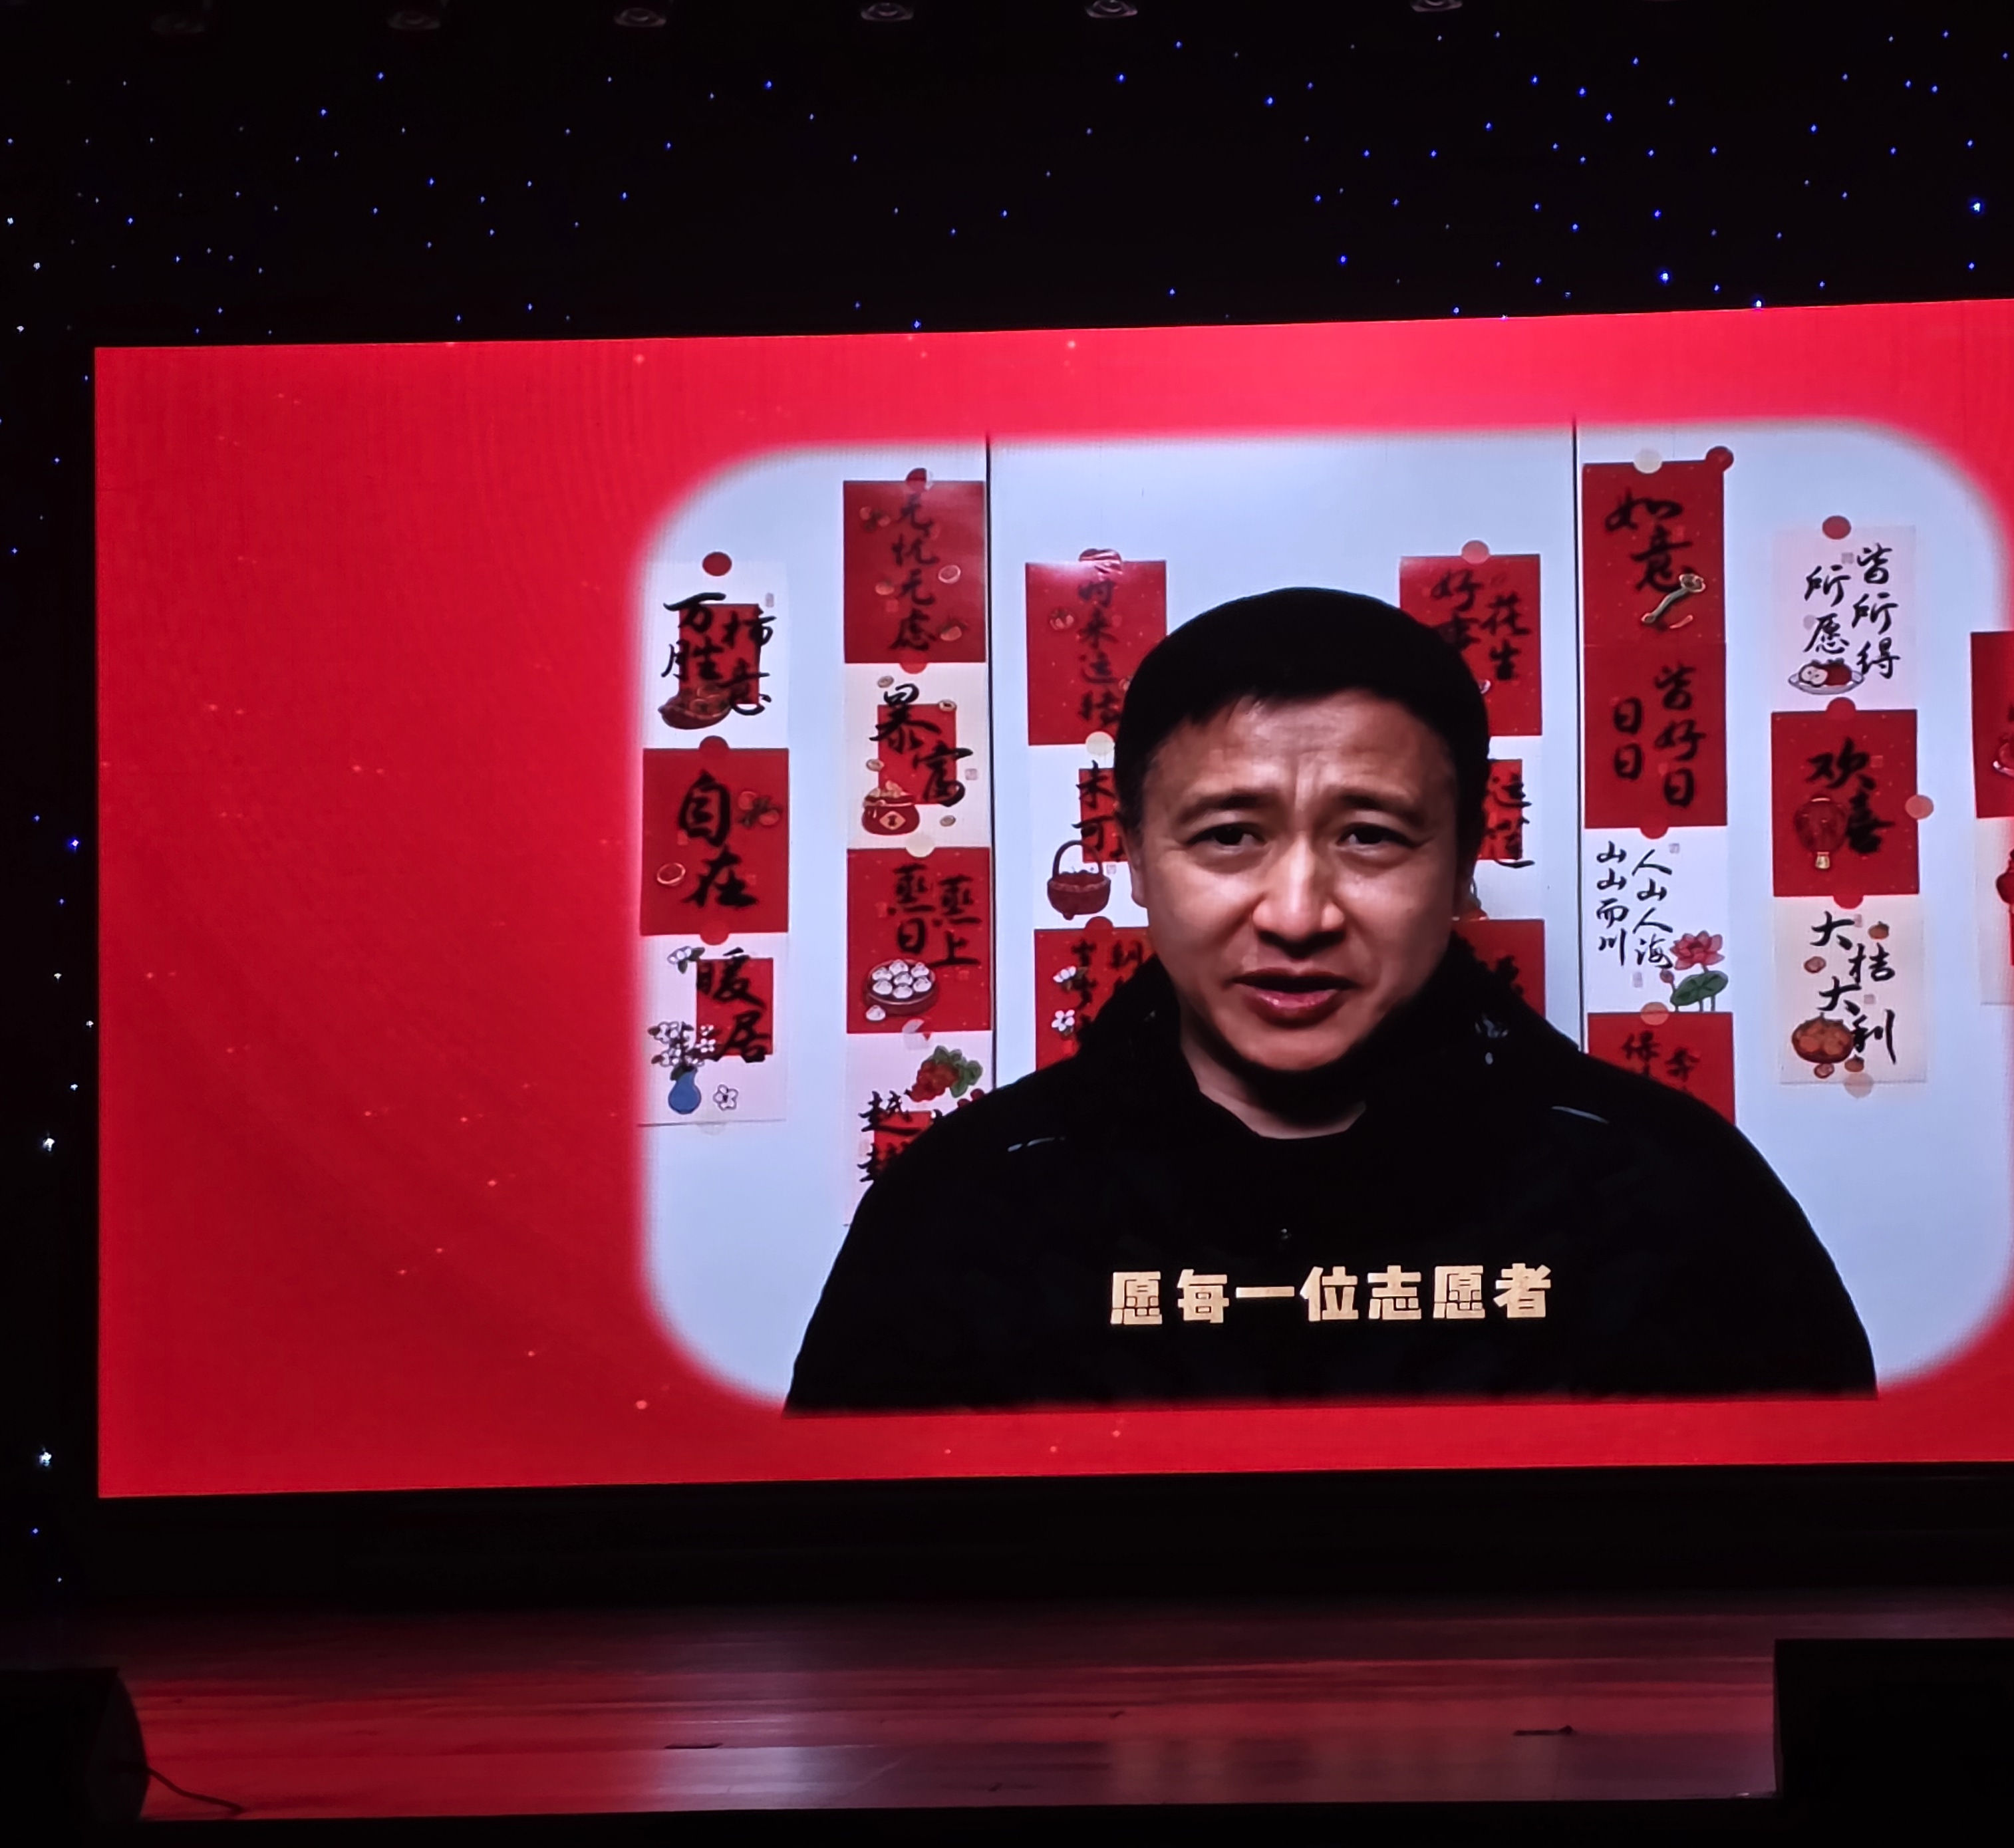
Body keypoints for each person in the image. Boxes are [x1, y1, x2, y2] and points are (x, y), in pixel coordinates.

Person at [788, 587, 1872, 1410]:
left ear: (1463, 863)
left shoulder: (1668, 1194)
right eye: (1229, 837)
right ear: (1134, 859)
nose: (1298, 914)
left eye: (1369, 837)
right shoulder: (973, 1205)